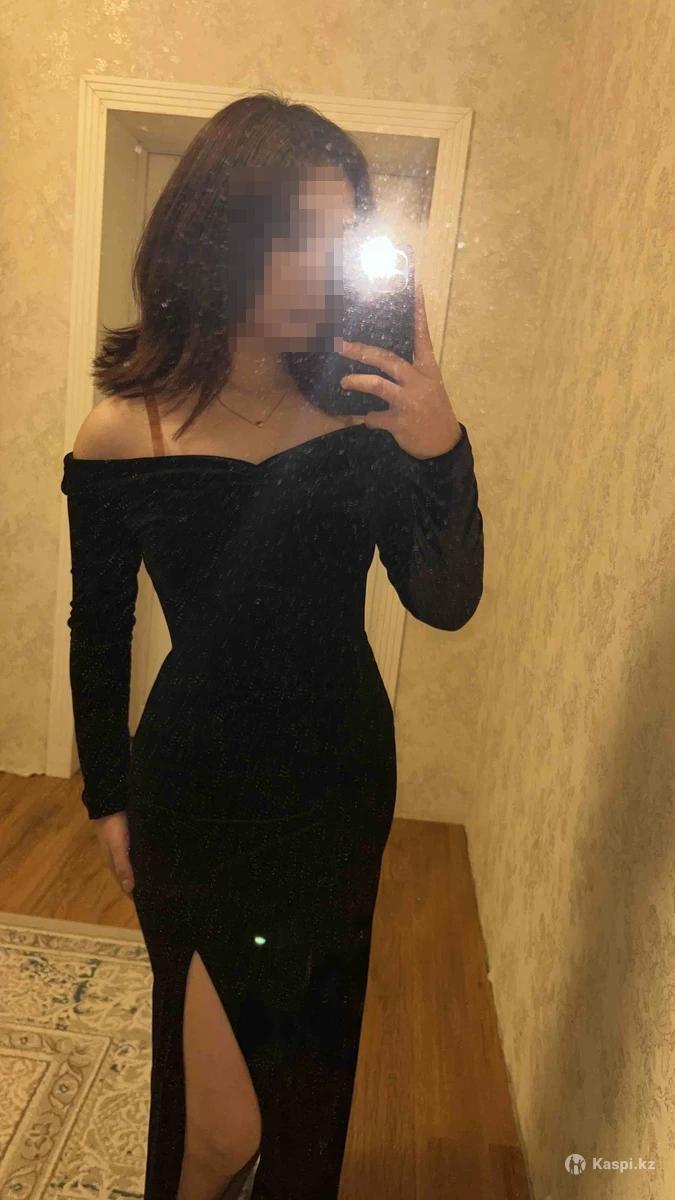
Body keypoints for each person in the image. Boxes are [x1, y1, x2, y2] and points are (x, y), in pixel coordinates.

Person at [60, 90, 484, 1200]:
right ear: (218, 231)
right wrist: (107, 794)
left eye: (339, 238)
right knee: (213, 1127)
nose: (317, 267)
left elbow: (444, 601)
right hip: (194, 795)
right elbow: (100, 628)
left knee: (305, 1075)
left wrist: (439, 447)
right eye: (295, 233)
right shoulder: (122, 431)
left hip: (336, 787)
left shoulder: (367, 414)